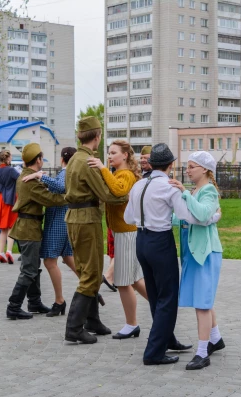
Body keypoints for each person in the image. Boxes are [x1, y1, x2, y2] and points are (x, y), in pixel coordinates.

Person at [124, 143, 215, 366]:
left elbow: (128, 218)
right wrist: (212, 217)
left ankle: (166, 338)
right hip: (160, 241)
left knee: (155, 294)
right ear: (171, 165)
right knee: (167, 297)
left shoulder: (138, 185)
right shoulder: (170, 186)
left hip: (141, 240)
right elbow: (187, 216)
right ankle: (154, 351)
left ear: (151, 163)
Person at [63, 116, 127, 344]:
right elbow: (107, 194)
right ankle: (74, 328)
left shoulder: (75, 158)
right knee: (90, 273)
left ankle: (92, 320)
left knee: (88, 269)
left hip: (75, 217)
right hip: (86, 219)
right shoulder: (88, 161)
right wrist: (129, 194)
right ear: (98, 137)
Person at [169, 151, 224, 371]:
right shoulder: (196, 190)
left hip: (205, 253)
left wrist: (184, 194)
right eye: (188, 166)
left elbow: (201, 214)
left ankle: (202, 352)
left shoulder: (208, 190)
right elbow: (183, 217)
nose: (188, 170)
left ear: (205, 170)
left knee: (202, 303)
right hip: (193, 252)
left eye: (192, 166)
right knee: (204, 299)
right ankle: (215, 338)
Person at [88, 140, 148, 340]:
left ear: (125, 156)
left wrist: (103, 169)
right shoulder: (118, 173)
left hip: (126, 234)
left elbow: (119, 190)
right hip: (123, 232)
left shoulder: (126, 175)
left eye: (114, 153)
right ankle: (163, 308)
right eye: (108, 153)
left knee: (124, 282)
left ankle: (132, 324)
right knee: (135, 280)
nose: (110, 156)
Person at [5, 143, 67, 320]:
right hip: (28, 229)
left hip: (27, 227)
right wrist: (72, 197)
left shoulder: (26, 176)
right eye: (42, 158)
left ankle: (34, 302)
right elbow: (51, 199)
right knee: (29, 270)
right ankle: (13, 306)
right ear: (38, 159)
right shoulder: (30, 181)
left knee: (33, 267)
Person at [21, 147, 79, 317]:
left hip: (57, 222)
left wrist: (41, 176)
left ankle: (59, 301)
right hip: (65, 220)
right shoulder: (73, 171)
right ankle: (91, 287)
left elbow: (61, 187)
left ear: (62, 159)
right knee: (68, 258)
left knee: (49, 262)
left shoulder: (65, 173)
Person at [0, 150, 19, 264]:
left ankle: (1, 253)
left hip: (1, 199)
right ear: (7, 158)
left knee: (3, 228)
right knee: (11, 226)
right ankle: (9, 251)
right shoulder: (12, 170)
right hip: (11, 198)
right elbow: (20, 180)